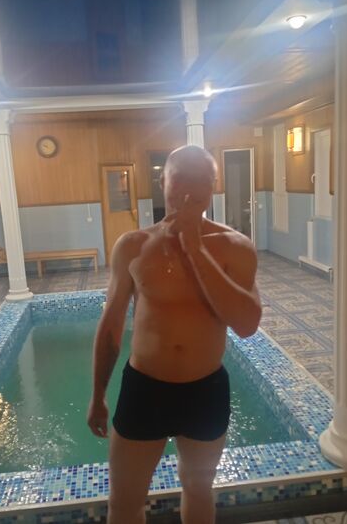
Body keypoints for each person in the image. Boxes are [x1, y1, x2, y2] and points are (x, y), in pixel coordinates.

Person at [87, 145, 262, 524]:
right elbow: (111, 325)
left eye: (201, 180)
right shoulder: (133, 246)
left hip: (205, 390)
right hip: (145, 390)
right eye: (180, 178)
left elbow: (247, 325)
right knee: (124, 502)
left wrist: (195, 249)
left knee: (198, 489)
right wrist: (98, 394)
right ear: (163, 182)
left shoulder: (235, 247)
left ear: (213, 187)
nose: (189, 190)